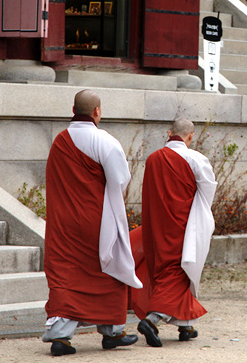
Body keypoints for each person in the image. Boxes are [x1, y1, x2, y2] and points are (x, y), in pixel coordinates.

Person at [41, 89, 142, 356]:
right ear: (97, 111)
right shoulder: (105, 141)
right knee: (108, 270)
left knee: (65, 274)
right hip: (96, 220)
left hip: (63, 221)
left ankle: (60, 336)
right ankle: (112, 332)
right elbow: (120, 179)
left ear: (73, 109)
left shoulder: (60, 141)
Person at [131, 119, 216, 347]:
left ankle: (185, 326)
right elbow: (207, 193)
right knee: (178, 272)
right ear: (190, 136)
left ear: (169, 134)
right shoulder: (196, 158)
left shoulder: (152, 159)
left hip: (156, 224)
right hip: (183, 225)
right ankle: (152, 319)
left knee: (164, 269)